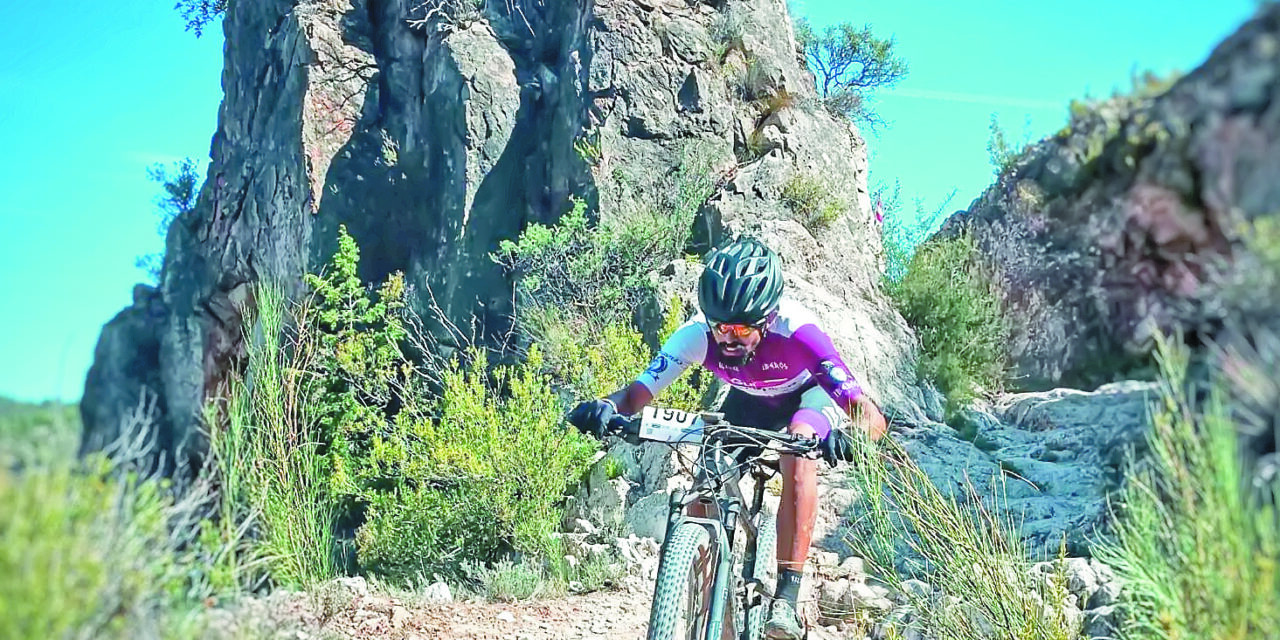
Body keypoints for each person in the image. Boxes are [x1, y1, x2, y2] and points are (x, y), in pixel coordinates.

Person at [568, 236, 888, 640]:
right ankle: (702, 589)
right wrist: (605, 407)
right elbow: (635, 395)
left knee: (798, 447)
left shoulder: (800, 333)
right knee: (708, 476)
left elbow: (866, 410)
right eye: (720, 326)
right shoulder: (695, 336)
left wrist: (856, 438)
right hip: (750, 400)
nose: (728, 338)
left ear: (768, 318)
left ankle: (786, 600)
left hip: (807, 398)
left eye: (740, 328)